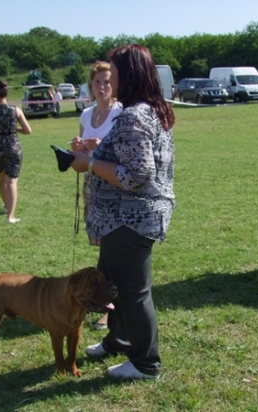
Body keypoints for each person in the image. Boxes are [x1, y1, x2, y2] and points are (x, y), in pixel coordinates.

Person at [69, 44, 175, 380]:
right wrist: (97, 154)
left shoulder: (133, 115)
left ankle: (146, 363)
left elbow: (137, 176)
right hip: (125, 218)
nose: (109, 79)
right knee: (110, 283)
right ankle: (118, 339)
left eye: (113, 72)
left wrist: (90, 164)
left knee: (133, 293)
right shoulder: (151, 110)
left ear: (127, 74)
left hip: (129, 219)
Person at [70, 61, 123, 330]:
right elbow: (80, 153)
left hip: (113, 183)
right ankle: (104, 300)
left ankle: (110, 307)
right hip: (91, 182)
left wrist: (102, 146)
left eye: (107, 81)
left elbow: (123, 153)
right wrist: (77, 147)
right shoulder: (86, 114)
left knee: (112, 246)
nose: (102, 87)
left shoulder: (120, 112)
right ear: (90, 85)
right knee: (101, 243)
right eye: (97, 82)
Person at [0, 80, 32, 223]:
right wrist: (13, 129)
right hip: (13, 147)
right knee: (11, 182)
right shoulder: (16, 110)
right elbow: (28, 130)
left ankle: (6, 205)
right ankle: (11, 215)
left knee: (1, 180)